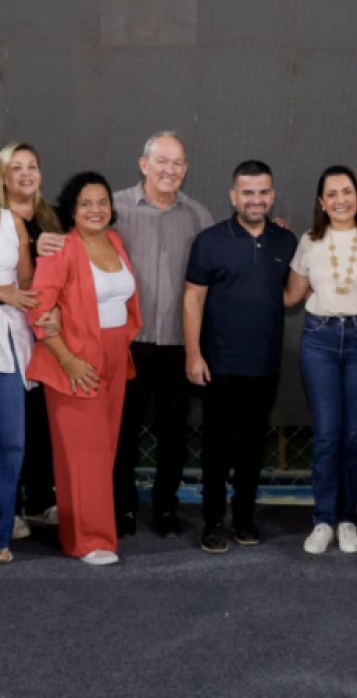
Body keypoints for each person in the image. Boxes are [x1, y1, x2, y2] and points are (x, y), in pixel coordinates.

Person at [27, 172, 141, 565]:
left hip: (113, 356)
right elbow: (40, 309)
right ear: (72, 211)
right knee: (83, 453)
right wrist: (68, 357)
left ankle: (87, 531)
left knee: (103, 449)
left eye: (102, 202)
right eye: (86, 203)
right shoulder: (62, 248)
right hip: (73, 358)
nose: (96, 210)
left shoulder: (114, 242)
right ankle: (89, 541)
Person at [184, 161, 297, 553]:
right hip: (219, 364)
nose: (256, 199)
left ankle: (244, 517)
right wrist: (194, 354)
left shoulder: (286, 241)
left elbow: (288, 296)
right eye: (247, 192)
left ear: (272, 195)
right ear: (233, 196)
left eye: (263, 192)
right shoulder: (209, 240)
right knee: (216, 449)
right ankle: (213, 522)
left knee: (252, 447)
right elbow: (193, 298)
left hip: (264, 365)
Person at [284, 165, 357, 555]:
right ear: (321, 202)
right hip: (320, 341)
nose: (340, 200)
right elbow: (289, 296)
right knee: (328, 434)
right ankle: (323, 520)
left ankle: (348, 518)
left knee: (354, 434)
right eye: (331, 194)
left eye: (347, 192)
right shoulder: (309, 241)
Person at [113, 132, 213, 538]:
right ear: (143, 164)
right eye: (162, 161)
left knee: (174, 431)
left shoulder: (199, 216)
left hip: (178, 344)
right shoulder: (113, 208)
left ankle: (166, 508)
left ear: (186, 170)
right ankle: (122, 508)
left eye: (178, 163)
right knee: (123, 430)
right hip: (127, 343)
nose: (169, 170)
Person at [0, 141, 63, 540]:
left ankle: (36, 501)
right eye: (16, 167)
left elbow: (45, 281)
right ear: (3, 176)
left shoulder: (49, 219)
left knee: (36, 422)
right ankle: (10, 508)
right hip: (10, 333)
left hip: (38, 332)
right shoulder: (9, 222)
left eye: (33, 166)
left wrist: (55, 312)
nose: (26, 174)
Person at [0, 198, 36, 564]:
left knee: (11, 443)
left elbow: (27, 284)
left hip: (9, 340)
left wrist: (49, 316)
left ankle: (0, 535)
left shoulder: (13, 222)